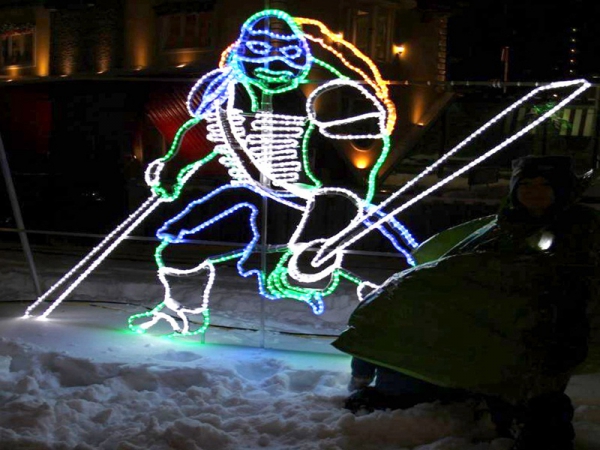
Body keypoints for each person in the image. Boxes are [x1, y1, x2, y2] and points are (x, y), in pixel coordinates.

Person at [342, 155, 600, 450]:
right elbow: (462, 260)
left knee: (536, 398)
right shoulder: (508, 221)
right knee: (400, 310)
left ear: (561, 188)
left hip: (548, 326)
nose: (534, 192)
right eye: (526, 184)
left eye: (545, 185)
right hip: (488, 318)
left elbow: (565, 277)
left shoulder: (580, 226)